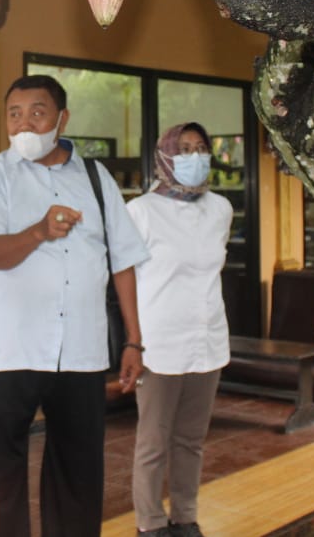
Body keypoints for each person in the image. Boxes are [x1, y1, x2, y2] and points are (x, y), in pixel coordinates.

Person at [0, 73, 149, 537]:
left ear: (62, 119)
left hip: (80, 352)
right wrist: (39, 231)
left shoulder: (96, 178)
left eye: (37, 113)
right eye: (15, 114)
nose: (24, 124)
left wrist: (134, 340)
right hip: (7, 350)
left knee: (77, 475)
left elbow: (123, 261)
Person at [126, 123, 233, 537]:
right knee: (153, 442)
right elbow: (125, 278)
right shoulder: (141, 211)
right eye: (184, 149)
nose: (194, 157)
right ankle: (150, 522)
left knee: (191, 439)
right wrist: (133, 341)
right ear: (165, 155)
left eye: (201, 148)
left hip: (208, 338)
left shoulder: (221, 209)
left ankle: (185, 516)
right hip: (159, 343)